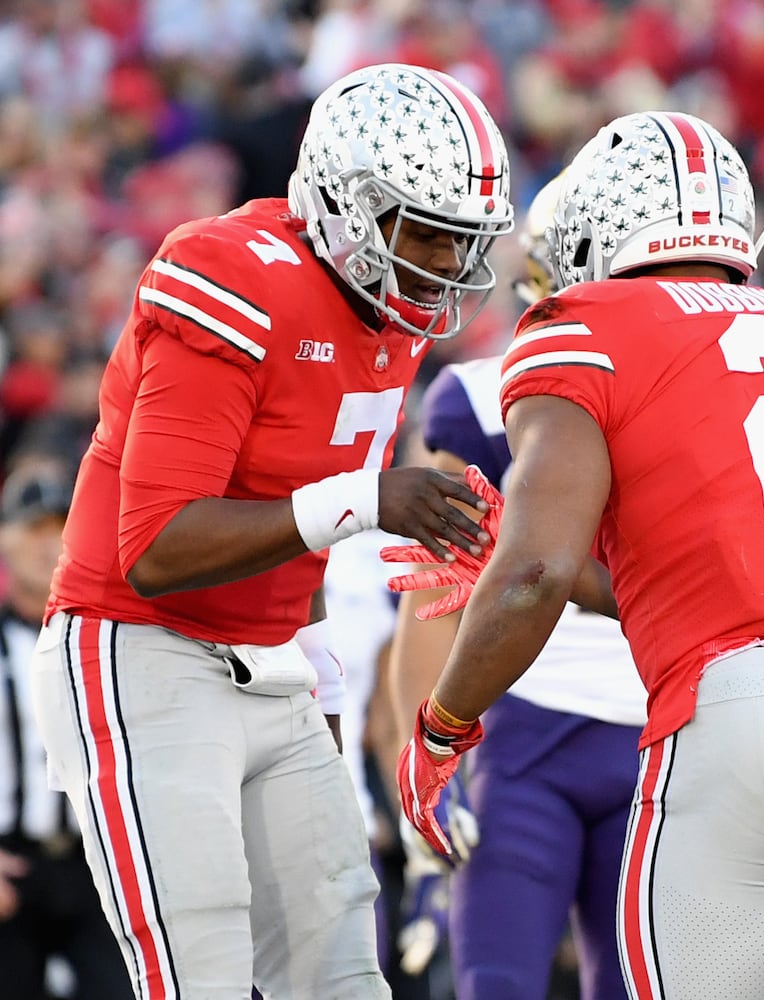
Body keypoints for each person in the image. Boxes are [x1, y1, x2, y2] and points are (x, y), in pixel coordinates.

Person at [391, 110, 764, 1000]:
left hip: (728, 704)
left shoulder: (584, 324)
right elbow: (732, 568)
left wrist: (441, 725)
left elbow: (530, 575)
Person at [29, 62, 512, 999]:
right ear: (345, 202)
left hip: (274, 658)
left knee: (342, 969)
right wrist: (369, 500)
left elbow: (306, 534)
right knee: (198, 967)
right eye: (428, 232)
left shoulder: (390, 312)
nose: (447, 266)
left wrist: (322, 695)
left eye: (462, 241)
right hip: (140, 650)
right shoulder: (228, 273)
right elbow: (158, 543)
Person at [386, 170, 648, 1000]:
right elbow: (435, 602)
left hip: (658, 729)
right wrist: (425, 757)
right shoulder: (477, 398)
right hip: (521, 734)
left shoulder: (682, 394)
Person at [0, 461, 135, 1000]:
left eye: (59, 526)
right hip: (11, 860)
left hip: (93, 862)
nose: (46, 543)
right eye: (32, 528)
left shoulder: (106, 638)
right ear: (4, 539)